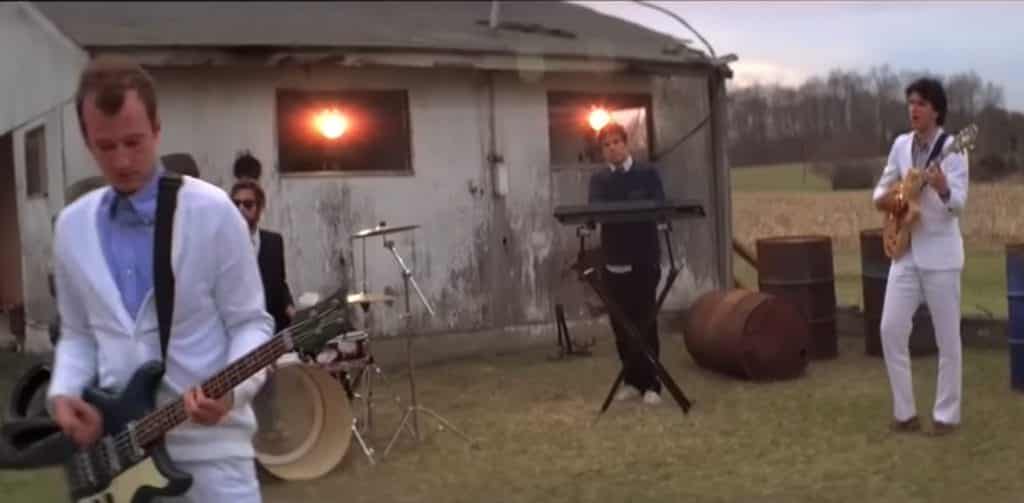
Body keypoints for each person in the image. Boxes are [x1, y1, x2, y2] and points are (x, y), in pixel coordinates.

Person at [46, 57, 272, 501]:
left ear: (158, 129)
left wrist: (232, 392)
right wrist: (65, 393)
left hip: (214, 457)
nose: (123, 160)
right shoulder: (71, 227)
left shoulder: (213, 212)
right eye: (105, 146)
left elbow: (252, 324)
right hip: (118, 460)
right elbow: (77, 336)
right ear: (86, 141)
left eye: (134, 141)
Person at [872, 77, 968, 436]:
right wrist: (896, 199)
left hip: (941, 255)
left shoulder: (955, 150)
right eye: (910, 102)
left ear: (936, 110)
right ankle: (905, 412)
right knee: (890, 329)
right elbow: (880, 190)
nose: (913, 108)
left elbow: (958, 205)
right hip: (905, 251)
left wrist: (943, 188)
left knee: (947, 340)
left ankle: (946, 415)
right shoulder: (900, 145)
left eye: (921, 103)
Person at [587, 122, 666, 406]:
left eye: (616, 142)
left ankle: (653, 384)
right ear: (603, 151)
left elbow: (659, 205)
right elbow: (595, 212)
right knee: (621, 325)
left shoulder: (647, 173)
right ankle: (632, 380)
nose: (612, 148)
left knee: (645, 320)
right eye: (606, 145)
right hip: (614, 261)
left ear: (626, 143)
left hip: (644, 259)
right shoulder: (599, 181)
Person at [229, 178, 295, 333]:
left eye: (248, 204)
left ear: (260, 208)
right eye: (236, 204)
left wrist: (289, 306)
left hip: (273, 328)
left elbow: (279, 283)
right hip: (239, 331)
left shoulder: (273, 242)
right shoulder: (222, 245)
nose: (241, 209)